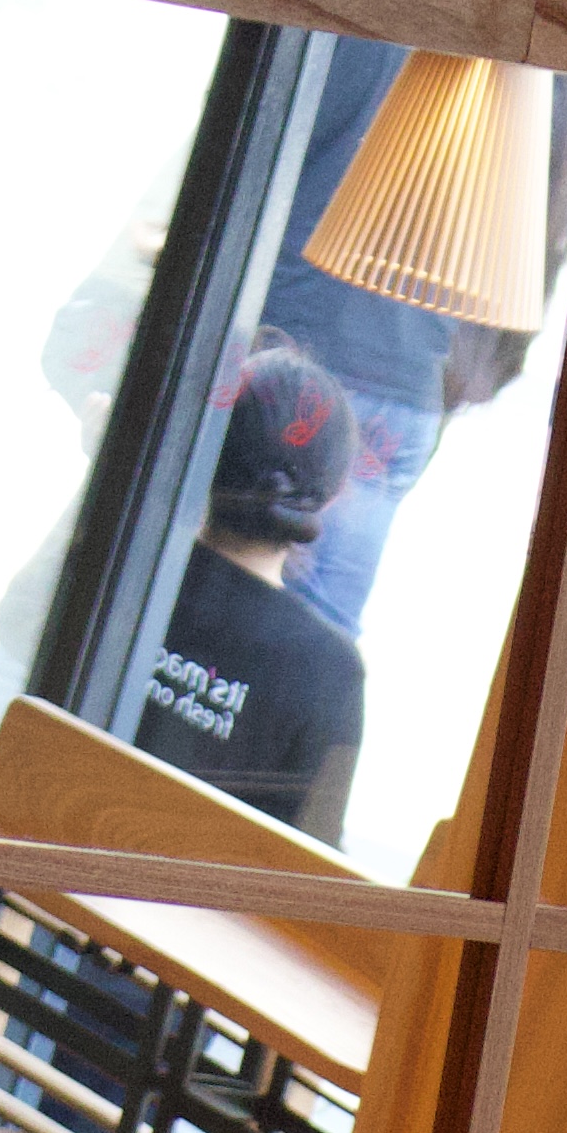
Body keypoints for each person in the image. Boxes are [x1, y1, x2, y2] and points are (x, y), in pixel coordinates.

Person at [258, 36, 567, 637]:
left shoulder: (386, 12)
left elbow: (266, 148)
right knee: (304, 647)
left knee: (168, 602)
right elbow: (541, 243)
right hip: (405, 395)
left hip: (294, 358)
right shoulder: (543, 70)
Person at [128, 343, 364, 841]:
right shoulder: (330, 669)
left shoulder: (134, 571)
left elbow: (16, 625)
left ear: (207, 449)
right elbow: (311, 858)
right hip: (181, 917)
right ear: (331, 492)